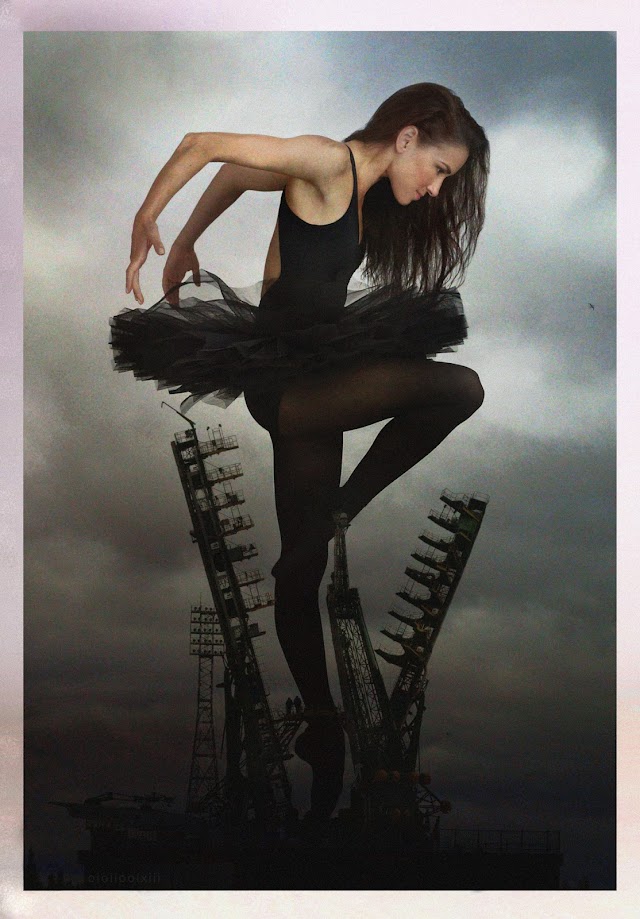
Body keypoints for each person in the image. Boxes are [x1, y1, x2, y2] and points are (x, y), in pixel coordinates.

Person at [110, 82, 489, 826]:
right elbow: (201, 145)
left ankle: (321, 727)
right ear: (409, 138)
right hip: (291, 386)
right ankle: (344, 510)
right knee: (460, 387)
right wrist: (152, 220)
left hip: (322, 384)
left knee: (299, 568)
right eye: (440, 169)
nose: (436, 187)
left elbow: (239, 174)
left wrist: (191, 236)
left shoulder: (346, 187)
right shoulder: (326, 162)